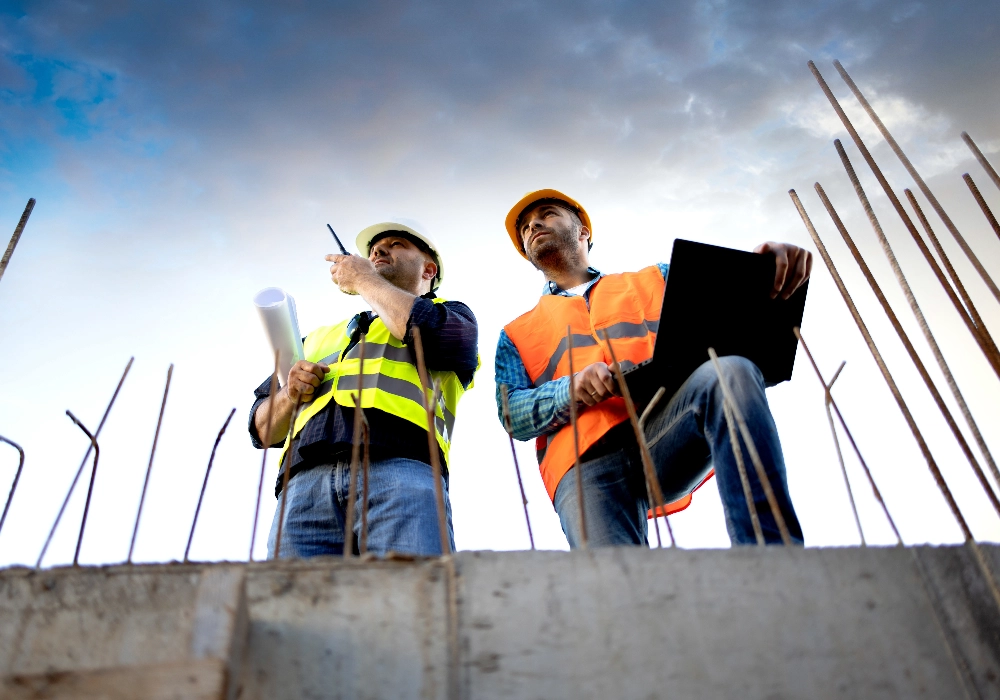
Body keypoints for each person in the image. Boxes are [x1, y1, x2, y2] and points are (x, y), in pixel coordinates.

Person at [495, 189, 811, 547]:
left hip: (666, 428)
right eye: (524, 228)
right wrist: (571, 389)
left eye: (547, 213)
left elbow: (734, 315)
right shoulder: (515, 334)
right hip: (583, 465)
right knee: (617, 584)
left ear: (583, 231)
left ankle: (774, 553)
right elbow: (512, 414)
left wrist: (764, 269)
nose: (533, 224)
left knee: (731, 370)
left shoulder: (657, 279)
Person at [249, 221, 478, 557]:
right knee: (291, 605)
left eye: (397, 244)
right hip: (303, 488)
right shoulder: (315, 339)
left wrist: (364, 279)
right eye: (373, 250)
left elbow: (437, 338)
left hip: (402, 472)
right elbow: (262, 429)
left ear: (429, 269)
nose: (378, 251)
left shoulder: (450, 315)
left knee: (412, 597)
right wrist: (289, 394)